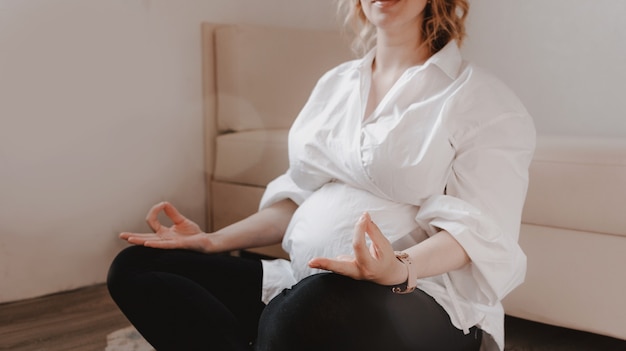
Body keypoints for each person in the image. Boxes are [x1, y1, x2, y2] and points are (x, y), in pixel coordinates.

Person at [107, 0, 536, 350]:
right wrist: (212, 241)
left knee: (303, 312)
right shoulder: (335, 85)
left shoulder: (480, 97)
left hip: (419, 300)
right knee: (137, 267)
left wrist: (397, 268)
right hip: (302, 283)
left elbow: (476, 231)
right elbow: (298, 197)